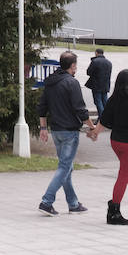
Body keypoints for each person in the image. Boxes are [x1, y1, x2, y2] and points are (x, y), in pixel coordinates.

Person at [88, 69, 128, 225]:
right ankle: (113, 213)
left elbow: (104, 118)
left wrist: (95, 132)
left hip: (116, 142)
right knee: (124, 177)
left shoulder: (114, 99)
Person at [37, 51, 97, 216]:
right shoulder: (72, 83)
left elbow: (42, 107)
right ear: (72, 66)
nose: (76, 68)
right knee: (64, 167)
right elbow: (81, 110)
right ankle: (47, 201)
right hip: (70, 132)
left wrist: (43, 128)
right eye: (76, 65)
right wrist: (93, 128)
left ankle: (73, 204)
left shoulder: (50, 82)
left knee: (67, 168)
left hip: (56, 131)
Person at [85, 49, 112, 118]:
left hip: (96, 85)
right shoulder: (109, 62)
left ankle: (102, 118)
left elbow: (88, 72)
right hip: (105, 85)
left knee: (98, 101)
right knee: (104, 101)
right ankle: (107, 116)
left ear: (96, 53)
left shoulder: (95, 61)